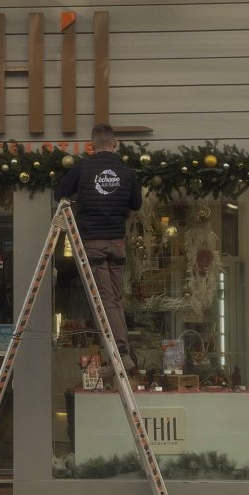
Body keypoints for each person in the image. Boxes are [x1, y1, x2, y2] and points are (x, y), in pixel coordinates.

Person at [54, 123, 142, 377]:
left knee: (104, 301)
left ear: (91, 144)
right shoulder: (126, 171)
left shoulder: (83, 168)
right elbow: (136, 203)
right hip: (117, 244)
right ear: (115, 143)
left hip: (92, 243)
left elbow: (59, 193)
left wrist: (80, 199)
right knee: (114, 299)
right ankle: (119, 356)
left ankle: (121, 354)